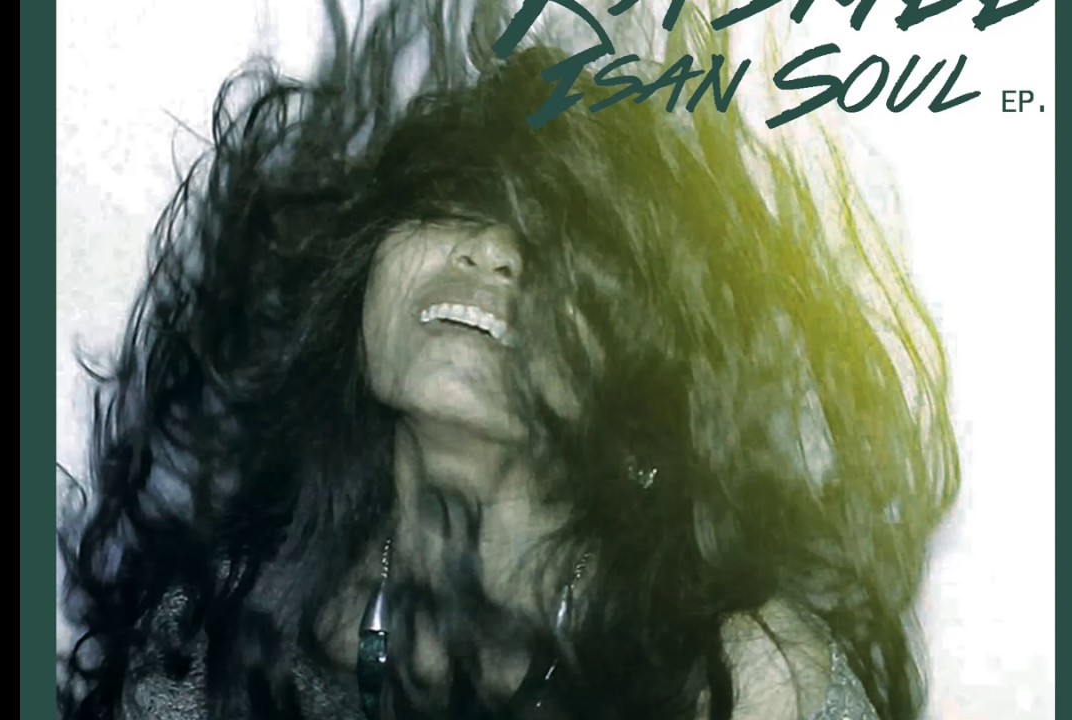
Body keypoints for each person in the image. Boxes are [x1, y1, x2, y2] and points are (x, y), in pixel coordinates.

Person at [56, 2, 960, 719]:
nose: (490, 252)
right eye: (450, 202)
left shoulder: (747, 679)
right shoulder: (214, 623)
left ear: (646, 364)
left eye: (559, 242)